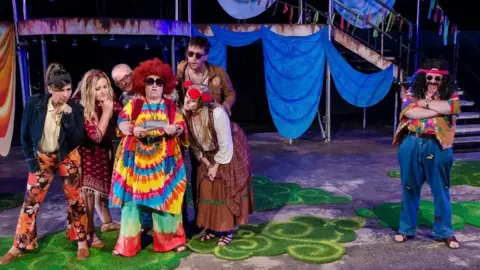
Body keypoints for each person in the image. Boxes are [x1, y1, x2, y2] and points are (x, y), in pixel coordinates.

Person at [0, 63, 89, 265]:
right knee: (31, 201)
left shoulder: (75, 108)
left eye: (68, 89)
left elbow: (78, 139)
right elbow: (24, 135)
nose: (66, 94)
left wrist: (68, 119)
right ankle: (19, 245)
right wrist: (31, 163)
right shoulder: (34, 104)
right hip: (42, 158)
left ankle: (81, 241)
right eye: (61, 90)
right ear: (50, 89)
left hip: (68, 156)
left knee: (76, 200)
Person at [110, 58, 189, 256]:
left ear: (165, 85)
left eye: (159, 82)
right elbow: (121, 121)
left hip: (164, 162)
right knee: (132, 204)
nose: (154, 86)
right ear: (142, 83)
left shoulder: (171, 107)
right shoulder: (134, 104)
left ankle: (170, 241)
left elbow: (183, 126)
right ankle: (127, 244)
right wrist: (133, 129)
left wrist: (176, 129)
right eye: (149, 81)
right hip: (136, 163)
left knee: (165, 201)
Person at [392, 58, 461, 249]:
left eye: (437, 79)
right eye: (429, 78)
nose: (432, 82)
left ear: (443, 81)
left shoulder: (451, 95)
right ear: (423, 78)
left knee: (441, 190)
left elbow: (452, 108)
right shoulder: (412, 93)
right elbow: (410, 113)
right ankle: (406, 229)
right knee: (409, 188)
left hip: (437, 145)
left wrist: (424, 104)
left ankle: (445, 232)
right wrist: (437, 109)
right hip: (411, 143)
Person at [175, 36, 237, 237]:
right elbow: (176, 94)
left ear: (206, 56)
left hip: (213, 127)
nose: (192, 58)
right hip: (192, 129)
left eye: (197, 55)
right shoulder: (182, 70)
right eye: (190, 53)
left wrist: (225, 107)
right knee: (196, 174)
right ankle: (202, 219)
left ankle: (225, 223)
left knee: (220, 176)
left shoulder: (217, 73)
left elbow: (231, 94)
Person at [183, 83, 253, 246]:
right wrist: (207, 164)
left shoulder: (217, 113)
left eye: (192, 98)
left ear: (202, 101)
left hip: (228, 151)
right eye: (186, 96)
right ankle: (212, 228)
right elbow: (193, 144)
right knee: (206, 187)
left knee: (224, 187)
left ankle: (227, 229)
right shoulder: (186, 114)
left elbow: (226, 145)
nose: (187, 100)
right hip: (208, 154)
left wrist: (216, 166)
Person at [73, 70, 123, 249]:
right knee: (87, 194)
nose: (103, 91)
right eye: (98, 88)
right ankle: (89, 234)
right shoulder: (81, 108)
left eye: (105, 86)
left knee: (101, 191)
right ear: (89, 90)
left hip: (101, 154)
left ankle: (107, 222)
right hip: (86, 156)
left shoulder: (105, 102)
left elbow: (123, 112)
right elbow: (95, 136)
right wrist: (107, 112)